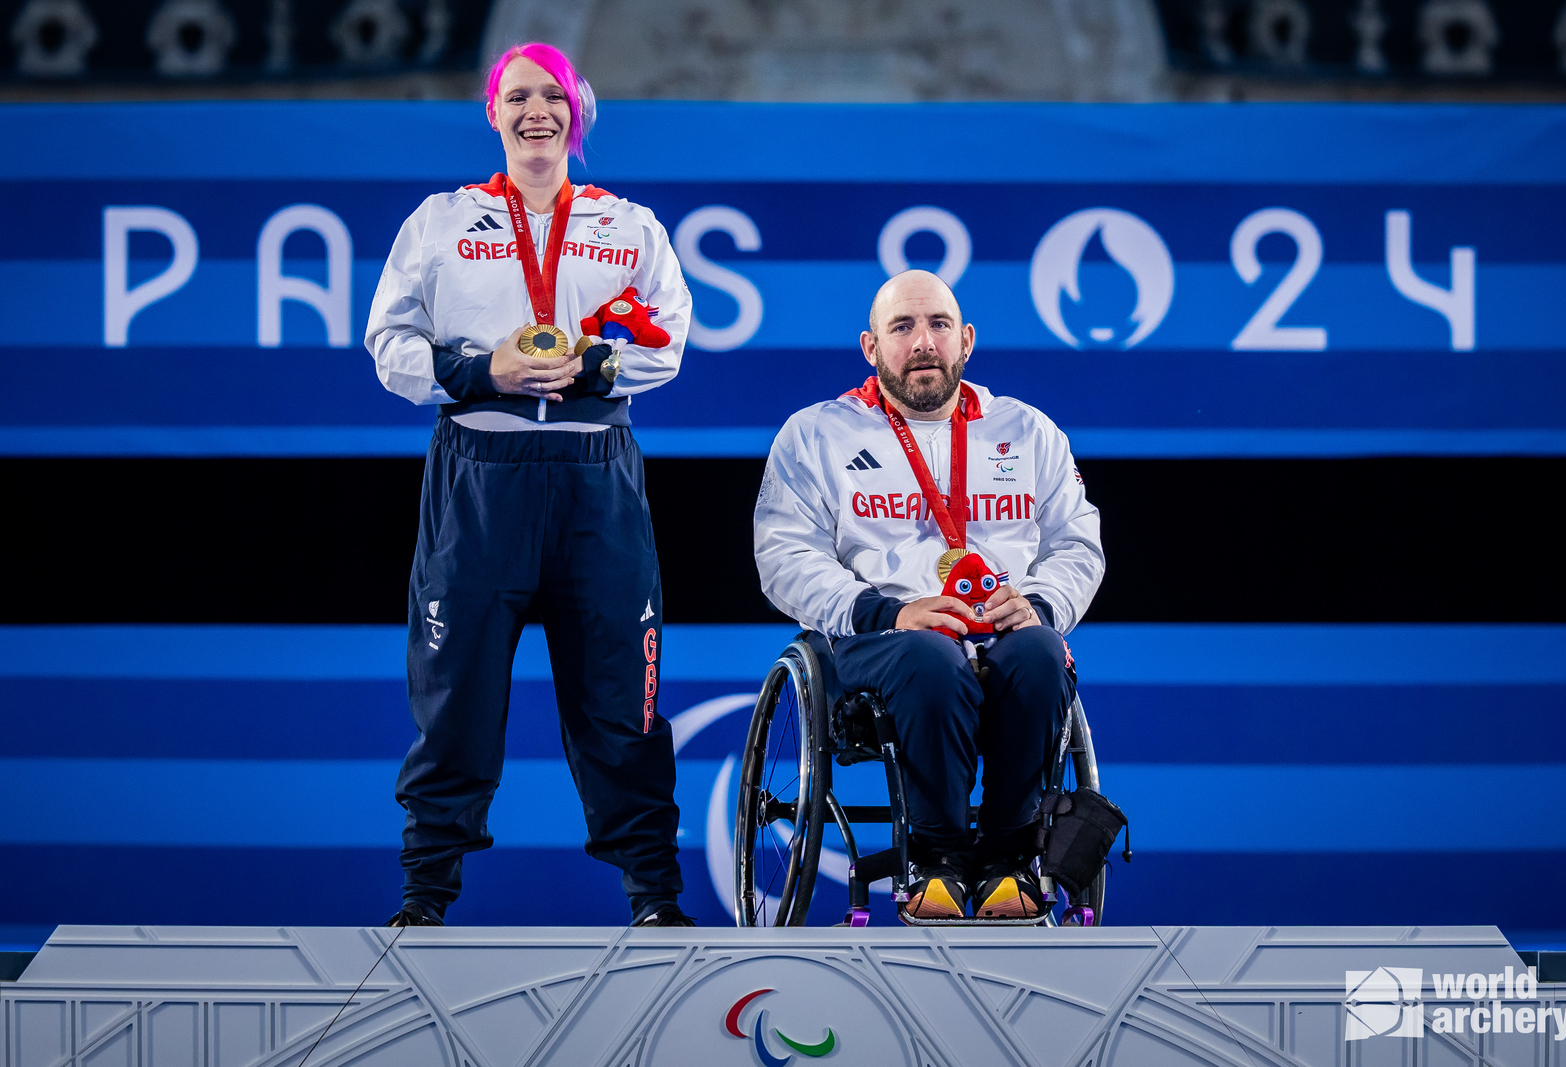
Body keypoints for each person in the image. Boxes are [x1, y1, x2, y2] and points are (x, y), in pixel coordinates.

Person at [366, 41, 694, 927]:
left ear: (576, 113)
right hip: (480, 474)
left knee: (623, 700)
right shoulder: (441, 222)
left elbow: (669, 346)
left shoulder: (629, 227)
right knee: (454, 700)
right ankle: (424, 901)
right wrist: (484, 371)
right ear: (492, 112)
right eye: (518, 96)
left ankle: (655, 904)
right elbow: (388, 346)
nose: (536, 110)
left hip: (596, 477)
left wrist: (591, 367)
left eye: (553, 95)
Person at [753, 270, 1105, 921]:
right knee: (928, 656)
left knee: (1040, 652)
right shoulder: (817, 434)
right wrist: (888, 611)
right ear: (870, 346)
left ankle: (1009, 862)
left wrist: (1041, 606)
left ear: (965, 339)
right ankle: (935, 860)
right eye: (902, 327)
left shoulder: (1028, 432)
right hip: (880, 644)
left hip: (1004, 639)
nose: (923, 341)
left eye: (938, 324)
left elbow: (1078, 543)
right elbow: (784, 555)